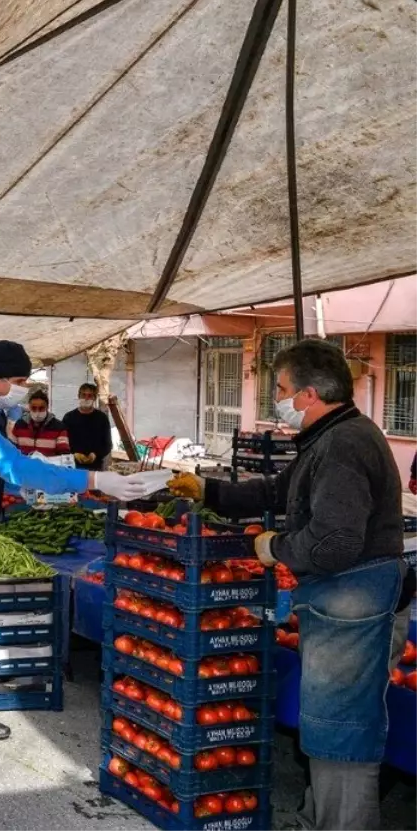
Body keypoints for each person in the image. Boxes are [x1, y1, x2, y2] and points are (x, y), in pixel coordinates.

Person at [168, 339, 410, 831]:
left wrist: (275, 548)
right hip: (340, 598)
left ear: (306, 395)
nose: (275, 398)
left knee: (342, 731)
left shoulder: (343, 444)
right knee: (327, 726)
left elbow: (336, 541)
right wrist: (209, 488)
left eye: (279, 389)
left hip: (354, 597)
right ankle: (316, 817)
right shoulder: (329, 437)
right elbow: (277, 491)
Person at [0, 341, 157, 762]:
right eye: (20, 381)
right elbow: (14, 467)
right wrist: (93, 479)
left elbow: (6, 471)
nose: (24, 390)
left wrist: (43, 484)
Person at [62, 382, 112, 470]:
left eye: (90, 395)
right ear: (78, 396)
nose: (86, 398)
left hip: (95, 466)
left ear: (94, 398)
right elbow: (62, 442)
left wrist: (95, 454)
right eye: (83, 395)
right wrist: (74, 454)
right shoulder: (68, 417)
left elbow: (107, 444)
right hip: (72, 466)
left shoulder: (102, 418)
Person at [9, 390, 70, 456]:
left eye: (41, 408)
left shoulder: (59, 427)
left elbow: (64, 453)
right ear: (29, 407)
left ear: (47, 407)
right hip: (25, 464)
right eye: (34, 408)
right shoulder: (19, 425)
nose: (37, 412)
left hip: (47, 465)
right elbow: (11, 448)